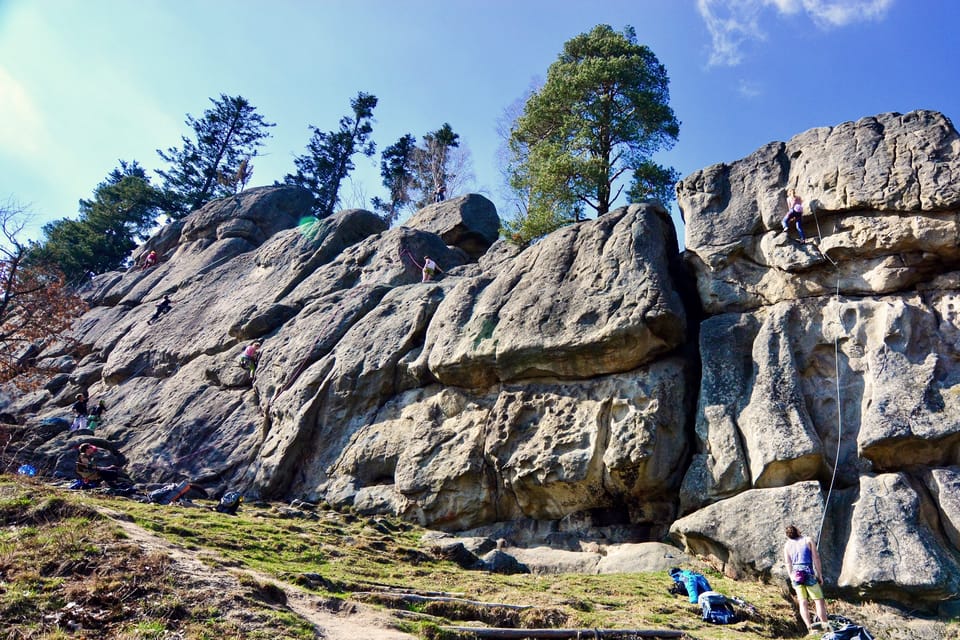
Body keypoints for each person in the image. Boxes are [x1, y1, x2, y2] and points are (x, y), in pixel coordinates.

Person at [784, 524, 829, 633]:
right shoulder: (808, 540)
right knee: (819, 601)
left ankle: (810, 628)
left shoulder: (787, 545)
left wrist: (791, 577)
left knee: (803, 602)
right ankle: (825, 627)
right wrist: (819, 574)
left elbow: (788, 563)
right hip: (808, 572)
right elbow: (816, 558)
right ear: (797, 531)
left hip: (796, 575)